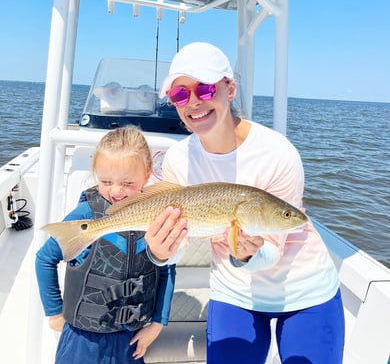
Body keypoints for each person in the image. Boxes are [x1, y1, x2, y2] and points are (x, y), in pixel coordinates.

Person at [144, 42, 345, 364]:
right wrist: (161, 252)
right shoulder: (179, 159)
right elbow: (180, 240)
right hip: (233, 292)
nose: (193, 102)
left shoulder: (277, 153)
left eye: (206, 88)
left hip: (305, 291)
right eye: (180, 94)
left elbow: (275, 242)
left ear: (230, 88)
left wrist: (249, 252)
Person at [36, 127, 176, 364]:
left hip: (130, 340)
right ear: (96, 173)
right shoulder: (86, 214)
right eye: (106, 181)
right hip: (82, 339)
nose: (116, 191)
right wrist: (55, 313)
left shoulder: (158, 216)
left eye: (128, 183)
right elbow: (44, 259)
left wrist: (157, 324)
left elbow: (167, 269)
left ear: (147, 174)